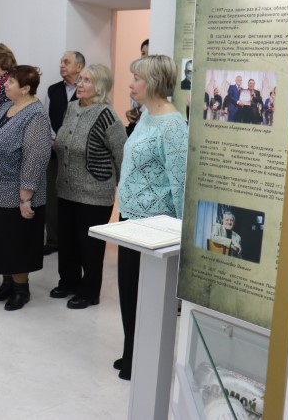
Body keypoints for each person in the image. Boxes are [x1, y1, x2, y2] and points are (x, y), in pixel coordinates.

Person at [116, 55, 188, 380]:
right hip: (130, 221)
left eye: (137, 78)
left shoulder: (173, 126)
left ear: (154, 82)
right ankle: (131, 351)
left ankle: (142, 360)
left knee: (147, 298)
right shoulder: (147, 115)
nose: (131, 84)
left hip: (154, 227)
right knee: (129, 292)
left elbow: (180, 182)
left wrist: (179, 235)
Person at [52, 64, 126, 308]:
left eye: (87, 81)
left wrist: (123, 190)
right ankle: (68, 282)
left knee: (90, 247)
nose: (80, 84)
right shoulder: (72, 107)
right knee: (67, 241)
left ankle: (90, 292)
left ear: (100, 87)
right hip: (66, 189)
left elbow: (121, 154)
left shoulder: (107, 115)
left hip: (95, 193)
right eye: (80, 79)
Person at [0, 65, 51, 310]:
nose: (5, 85)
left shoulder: (36, 115)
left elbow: (36, 157)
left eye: (10, 82)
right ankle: (7, 283)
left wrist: (25, 196)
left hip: (17, 193)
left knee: (17, 243)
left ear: (26, 89)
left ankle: (21, 289)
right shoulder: (6, 107)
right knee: (1, 242)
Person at [42, 50, 85, 257]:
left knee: (74, 197)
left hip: (77, 155)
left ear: (79, 66)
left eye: (66, 62)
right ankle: (53, 240)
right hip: (54, 152)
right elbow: (46, 117)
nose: (61, 65)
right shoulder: (53, 90)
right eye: (61, 61)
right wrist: (54, 140)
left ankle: (72, 240)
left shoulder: (86, 90)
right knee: (52, 196)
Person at [125, 39, 149, 135]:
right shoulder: (138, 74)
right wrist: (132, 112)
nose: (145, 57)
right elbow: (136, 108)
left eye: (149, 53)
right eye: (143, 53)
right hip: (137, 128)